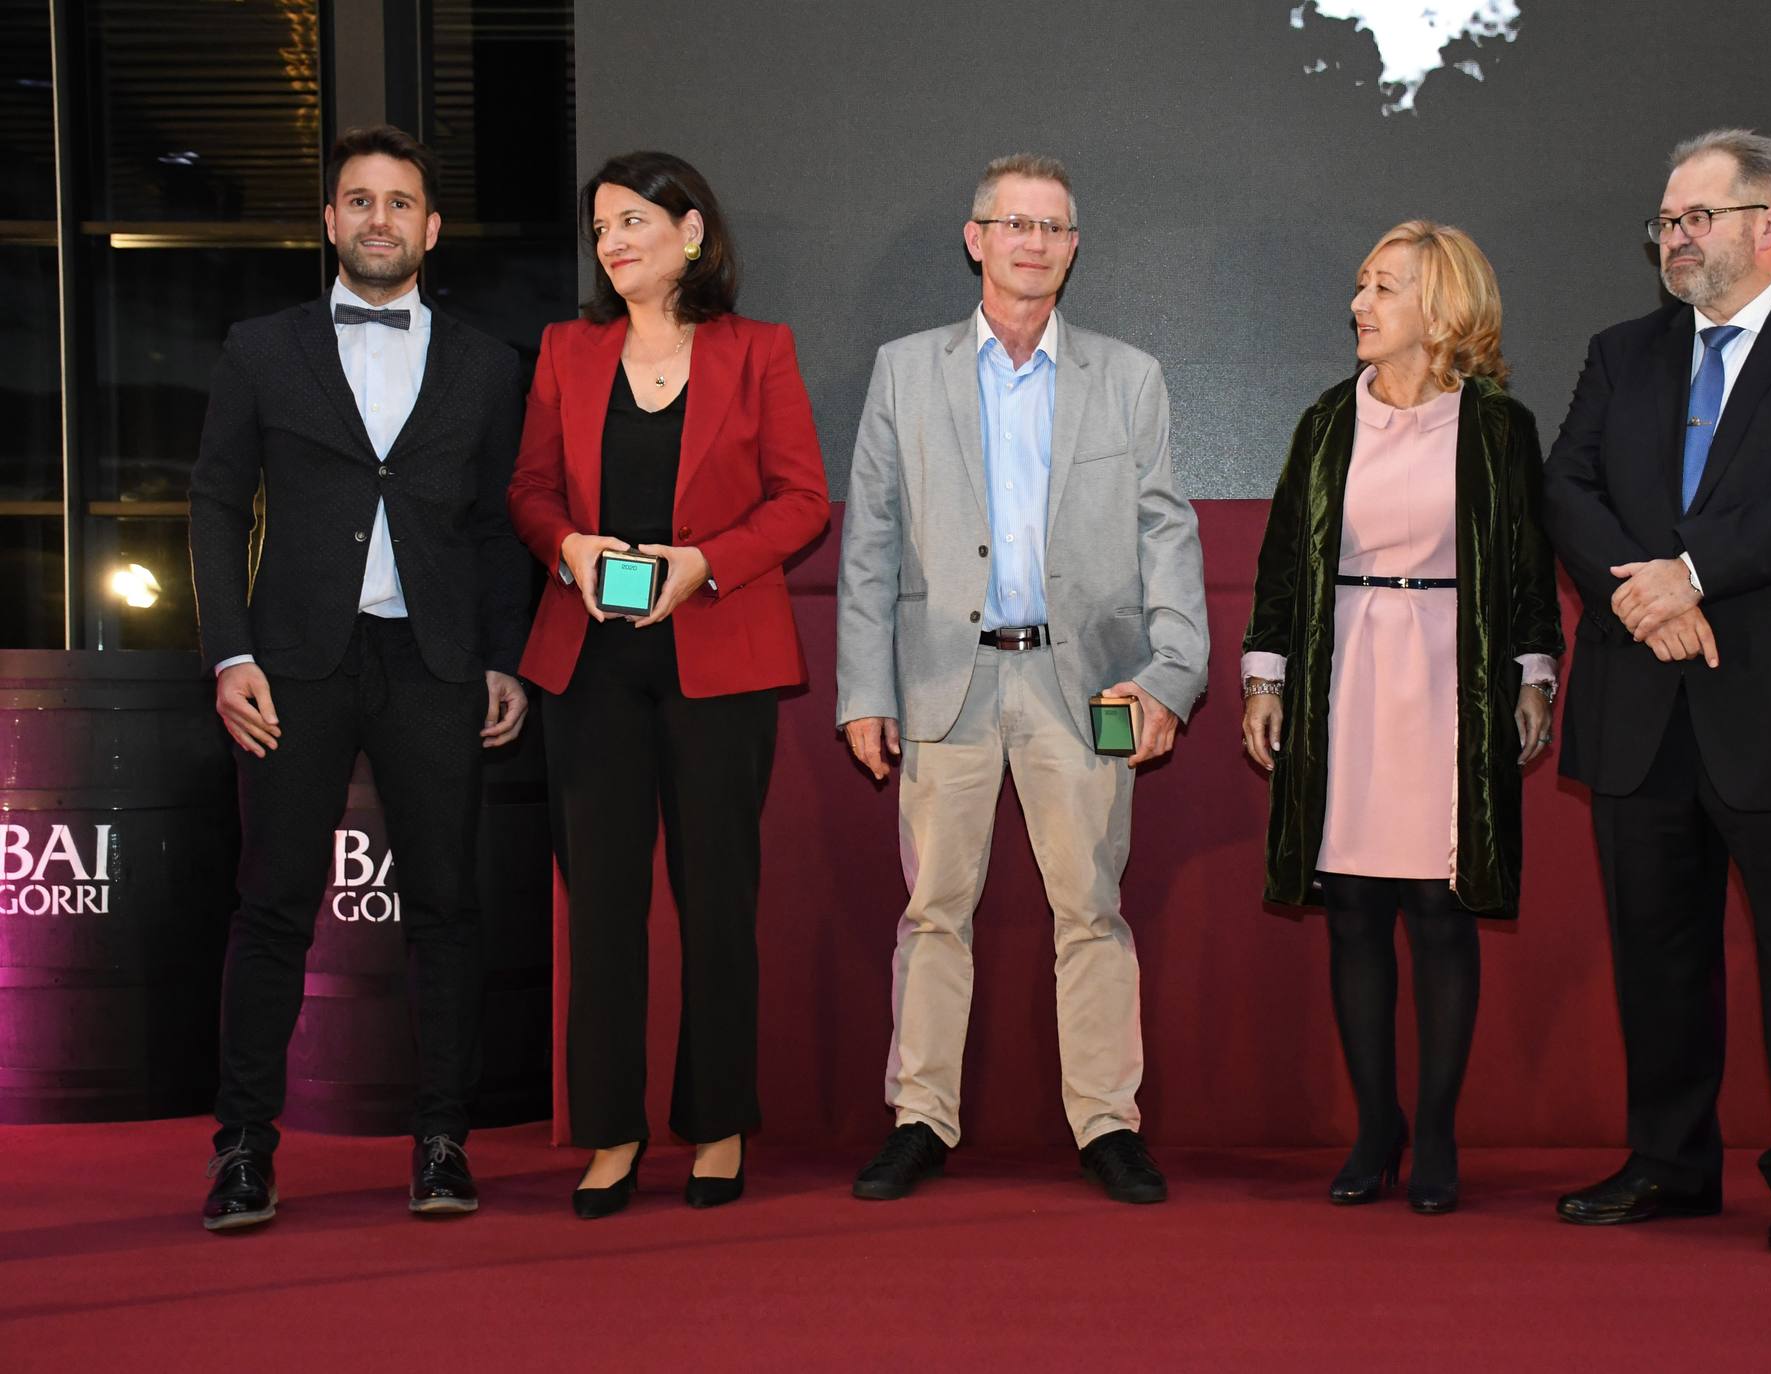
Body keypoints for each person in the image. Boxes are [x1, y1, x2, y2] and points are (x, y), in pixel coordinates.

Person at [1541, 129, 1771, 1254]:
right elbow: (1567, 483)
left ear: (1768, 222)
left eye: (1697, 217)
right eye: (1664, 221)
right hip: (1640, 706)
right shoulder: (1622, 352)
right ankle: (1668, 1164)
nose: (1675, 239)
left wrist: (1689, 572)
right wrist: (1641, 599)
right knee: (1656, 957)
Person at [835, 153, 1208, 1204]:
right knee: (932, 911)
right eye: (1013, 224)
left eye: (1052, 227)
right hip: (944, 686)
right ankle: (919, 1119)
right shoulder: (903, 371)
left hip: (1081, 686)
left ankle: (1105, 1125)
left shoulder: (1126, 378)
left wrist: (1171, 677)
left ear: (1073, 248)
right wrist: (864, 691)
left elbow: (1164, 535)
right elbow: (868, 542)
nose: (1032, 242)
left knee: (1091, 906)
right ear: (975, 238)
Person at [189, 125, 533, 1231]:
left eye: (400, 202)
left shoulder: (487, 362)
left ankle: (442, 1144)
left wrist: (501, 657)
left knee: (446, 910)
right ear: (330, 221)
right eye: (359, 200)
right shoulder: (259, 347)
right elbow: (213, 502)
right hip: (295, 664)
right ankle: (243, 1150)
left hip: (434, 665)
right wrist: (229, 652)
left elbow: (496, 528)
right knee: (273, 908)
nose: (380, 218)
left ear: (430, 229)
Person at [508, 152, 829, 1219]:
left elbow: (801, 502)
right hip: (588, 661)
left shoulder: (759, 352)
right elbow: (529, 490)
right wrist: (570, 548)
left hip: (717, 653)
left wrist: (706, 563)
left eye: (633, 220)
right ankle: (606, 1134)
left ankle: (719, 1122)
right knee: (599, 907)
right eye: (599, 227)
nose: (612, 242)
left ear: (691, 231)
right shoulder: (566, 349)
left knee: (716, 902)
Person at [1240, 221, 1562, 1212]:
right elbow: (1282, 561)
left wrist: (1533, 674)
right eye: (1360, 285)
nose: (1358, 305)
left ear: (1439, 309)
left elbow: (1525, 570)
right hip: (1345, 677)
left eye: (1382, 288)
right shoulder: (1325, 421)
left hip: (1446, 679)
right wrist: (1264, 677)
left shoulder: (1498, 427)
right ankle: (1371, 1128)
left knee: (1438, 911)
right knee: (1352, 914)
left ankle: (1435, 1135)